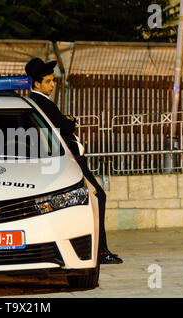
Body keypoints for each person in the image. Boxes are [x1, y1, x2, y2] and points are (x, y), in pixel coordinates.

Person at [25, 57, 123, 264]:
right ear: (36, 83)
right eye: (48, 81)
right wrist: (70, 121)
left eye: (53, 81)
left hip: (66, 161)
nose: (52, 85)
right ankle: (99, 250)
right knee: (98, 196)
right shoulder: (41, 104)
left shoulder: (36, 103)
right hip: (70, 162)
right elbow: (67, 127)